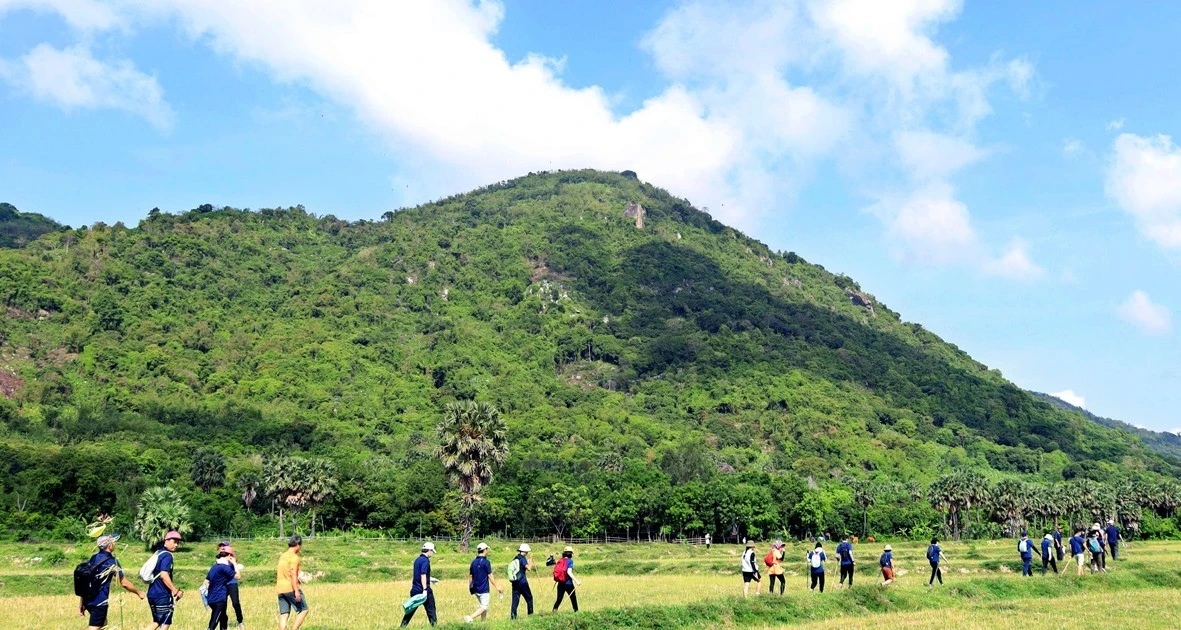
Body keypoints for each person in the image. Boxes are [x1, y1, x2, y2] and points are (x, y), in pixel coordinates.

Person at [80, 534, 145, 630]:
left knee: (103, 624)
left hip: (88, 599)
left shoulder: (93, 558)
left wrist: (82, 602)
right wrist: (139, 593)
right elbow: (124, 583)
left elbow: (86, 580)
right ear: (109, 545)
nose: (115, 544)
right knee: (95, 627)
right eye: (113, 542)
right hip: (99, 601)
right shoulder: (112, 561)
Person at [145, 530, 184, 630]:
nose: (176, 545)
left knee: (157, 622)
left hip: (152, 594)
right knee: (165, 622)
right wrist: (175, 591)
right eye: (174, 542)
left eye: (178, 542)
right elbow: (164, 575)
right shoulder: (167, 556)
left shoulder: (158, 553)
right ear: (166, 541)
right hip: (162, 595)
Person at [276, 535, 310, 630]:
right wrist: (296, 591)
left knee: (284, 614)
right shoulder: (294, 557)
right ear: (298, 545)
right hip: (290, 588)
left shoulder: (282, 556)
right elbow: (293, 574)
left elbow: (284, 572)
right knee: (304, 610)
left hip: (280, 589)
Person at [464, 542, 503, 623]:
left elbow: (470, 576)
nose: (487, 551)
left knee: (483, 606)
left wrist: (470, 586)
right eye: (487, 549)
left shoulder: (473, 562)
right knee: (485, 606)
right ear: (484, 550)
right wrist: (497, 587)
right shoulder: (486, 562)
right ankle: (470, 617)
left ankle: (483, 622)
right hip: (483, 588)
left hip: (475, 588)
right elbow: (490, 576)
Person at [401, 542, 437, 626]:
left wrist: (430, 579)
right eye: (432, 551)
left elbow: (418, 574)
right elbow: (423, 574)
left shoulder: (417, 560)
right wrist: (425, 589)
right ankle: (435, 626)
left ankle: (402, 626)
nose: (432, 553)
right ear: (429, 550)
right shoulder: (425, 561)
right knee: (431, 610)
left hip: (415, 589)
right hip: (423, 590)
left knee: (410, 610)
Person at [204, 550, 241, 630]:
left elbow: (206, 582)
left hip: (211, 598)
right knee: (214, 622)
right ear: (228, 556)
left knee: (223, 617)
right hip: (219, 599)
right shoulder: (224, 567)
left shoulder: (214, 567)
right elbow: (238, 576)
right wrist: (234, 563)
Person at [216, 542, 245, 629]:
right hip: (223, 584)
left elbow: (235, 563)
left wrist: (232, 558)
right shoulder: (219, 559)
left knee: (235, 603)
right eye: (221, 546)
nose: (222, 548)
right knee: (223, 605)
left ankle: (240, 621)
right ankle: (223, 624)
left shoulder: (232, 558)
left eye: (223, 546)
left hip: (232, 582)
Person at [552, 546, 581, 612]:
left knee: (559, 599)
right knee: (573, 598)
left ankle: (554, 611)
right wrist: (576, 581)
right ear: (570, 554)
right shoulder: (570, 561)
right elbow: (569, 572)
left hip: (560, 583)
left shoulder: (560, 560)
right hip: (568, 584)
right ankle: (576, 611)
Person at [509, 544, 533, 620]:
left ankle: (513, 617)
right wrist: (531, 559)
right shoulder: (523, 559)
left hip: (515, 582)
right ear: (525, 551)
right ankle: (531, 615)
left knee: (515, 601)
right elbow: (529, 568)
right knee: (529, 598)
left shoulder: (516, 558)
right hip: (522, 582)